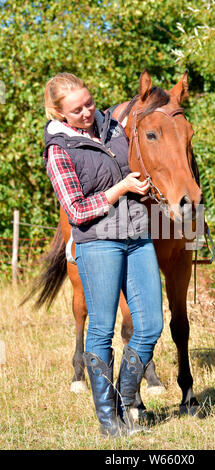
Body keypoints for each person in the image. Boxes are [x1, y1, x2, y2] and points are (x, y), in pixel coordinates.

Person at [43, 72, 163, 437]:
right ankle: (110, 423)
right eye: (77, 110)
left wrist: (146, 190)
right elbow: (77, 211)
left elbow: (141, 162)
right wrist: (120, 188)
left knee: (151, 326)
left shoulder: (114, 129)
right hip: (97, 242)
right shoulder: (59, 150)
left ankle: (126, 402)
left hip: (138, 235)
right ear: (60, 114)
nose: (87, 112)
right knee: (101, 329)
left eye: (90, 103)